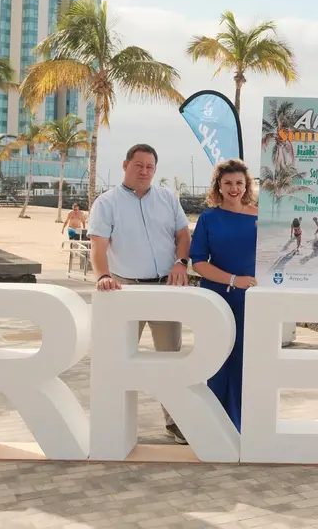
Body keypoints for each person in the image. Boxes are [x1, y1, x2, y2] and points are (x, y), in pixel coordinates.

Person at [88, 143, 192, 444]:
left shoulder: (167, 199)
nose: (144, 171)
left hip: (165, 289)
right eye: (139, 165)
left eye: (150, 167)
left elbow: (183, 235)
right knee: (118, 358)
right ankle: (112, 422)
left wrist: (181, 262)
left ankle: (175, 422)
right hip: (125, 289)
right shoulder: (106, 203)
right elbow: (98, 246)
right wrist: (103, 275)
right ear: (125, 165)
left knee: (170, 359)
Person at [189, 159, 258, 430]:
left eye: (239, 183)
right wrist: (233, 280)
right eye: (228, 183)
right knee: (216, 360)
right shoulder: (208, 218)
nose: (234, 188)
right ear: (218, 185)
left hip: (251, 301)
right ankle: (213, 427)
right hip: (216, 298)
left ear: (246, 186)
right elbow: (198, 262)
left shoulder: (261, 218)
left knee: (244, 362)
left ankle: (240, 426)